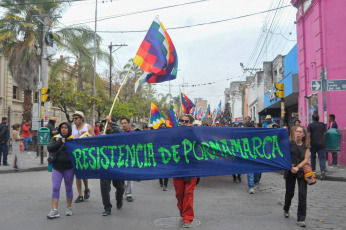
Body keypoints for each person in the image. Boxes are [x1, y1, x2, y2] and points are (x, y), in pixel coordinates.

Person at [47, 122, 75, 219]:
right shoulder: (56, 138)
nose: (63, 129)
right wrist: (60, 142)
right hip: (57, 168)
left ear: (69, 129)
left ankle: (69, 208)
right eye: (62, 127)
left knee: (68, 188)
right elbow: (49, 148)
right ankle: (54, 210)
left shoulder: (73, 139)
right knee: (55, 188)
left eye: (65, 128)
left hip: (69, 168)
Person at [283, 126, 310, 228]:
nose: (298, 133)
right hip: (290, 171)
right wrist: (283, 130)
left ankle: (301, 218)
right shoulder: (289, 143)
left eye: (300, 132)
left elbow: (306, 159)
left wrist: (298, 167)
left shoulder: (306, 145)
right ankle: (286, 207)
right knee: (290, 192)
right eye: (297, 132)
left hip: (302, 172)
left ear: (303, 134)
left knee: (302, 194)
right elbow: (284, 155)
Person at [175, 114, 197, 228]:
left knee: (188, 193)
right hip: (177, 169)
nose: (183, 123)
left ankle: (187, 217)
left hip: (191, 169)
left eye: (186, 121)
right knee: (179, 194)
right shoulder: (174, 134)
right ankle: (182, 210)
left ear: (191, 123)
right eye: (181, 121)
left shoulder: (196, 134)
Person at [100, 115, 124, 216]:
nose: (107, 125)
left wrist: (111, 122)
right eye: (105, 123)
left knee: (120, 187)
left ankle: (119, 200)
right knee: (104, 187)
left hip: (117, 164)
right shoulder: (102, 134)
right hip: (105, 165)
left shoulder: (118, 134)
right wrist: (101, 139)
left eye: (108, 123)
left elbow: (121, 131)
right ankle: (107, 207)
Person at [71, 111, 95, 203]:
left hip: (85, 154)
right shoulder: (72, 128)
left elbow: (94, 139)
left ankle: (86, 188)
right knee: (78, 174)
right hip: (75, 154)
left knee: (84, 174)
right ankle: (80, 195)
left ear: (81, 119)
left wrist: (87, 135)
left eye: (76, 118)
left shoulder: (88, 127)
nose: (74, 120)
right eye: (74, 119)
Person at [307, 114, 326, 179]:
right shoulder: (322, 124)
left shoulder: (310, 125)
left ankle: (313, 171)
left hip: (313, 144)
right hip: (322, 143)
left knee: (313, 157)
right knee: (322, 158)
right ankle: (323, 171)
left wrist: (308, 143)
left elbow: (308, 134)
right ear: (318, 118)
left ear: (312, 119)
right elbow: (324, 133)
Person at [121, 117, 134, 202]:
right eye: (122, 123)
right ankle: (122, 191)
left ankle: (129, 194)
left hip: (130, 157)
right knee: (120, 177)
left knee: (130, 177)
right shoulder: (118, 133)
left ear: (128, 124)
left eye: (125, 123)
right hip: (120, 158)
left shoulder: (133, 133)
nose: (123, 125)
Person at [158, 123, 169, 191]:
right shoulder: (157, 137)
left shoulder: (168, 137)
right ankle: (161, 182)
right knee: (161, 170)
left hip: (166, 156)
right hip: (159, 156)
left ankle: (165, 185)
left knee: (166, 171)